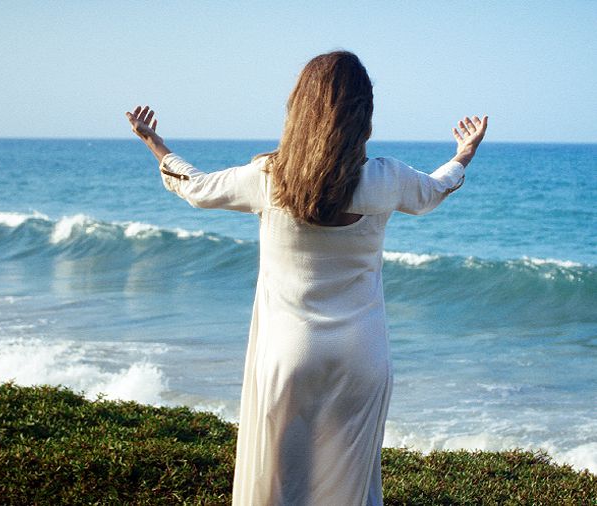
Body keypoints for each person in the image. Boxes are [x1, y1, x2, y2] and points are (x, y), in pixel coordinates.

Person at [124, 50, 487, 505]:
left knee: (277, 486)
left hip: (288, 353)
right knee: (350, 489)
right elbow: (436, 189)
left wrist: (156, 145)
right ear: (364, 116)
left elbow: (196, 188)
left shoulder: (268, 177)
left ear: (299, 108)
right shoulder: (387, 178)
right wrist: (464, 154)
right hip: (362, 356)